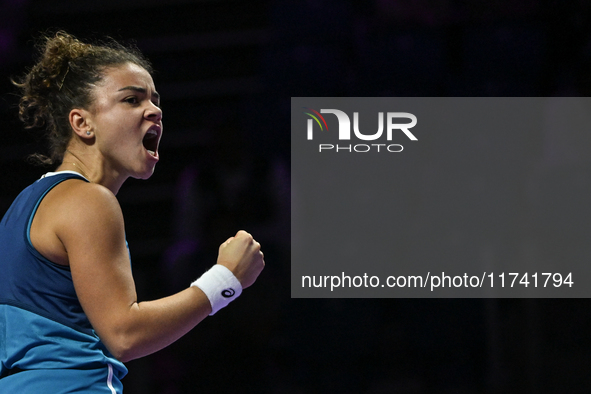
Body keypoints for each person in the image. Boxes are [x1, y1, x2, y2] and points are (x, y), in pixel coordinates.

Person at [0, 31, 265, 393]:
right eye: (131, 99)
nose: (155, 110)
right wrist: (226, 280)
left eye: (155, 100)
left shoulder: (25, 206)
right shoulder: (88, 200)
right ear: (82, 123)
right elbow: (124, 334)